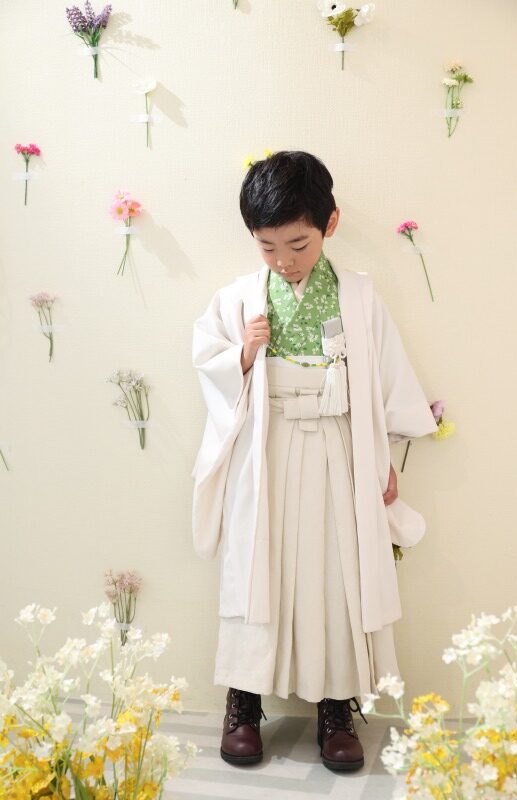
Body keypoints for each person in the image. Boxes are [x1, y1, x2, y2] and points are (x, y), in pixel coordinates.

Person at [191, 150, 438, 771]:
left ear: (330, 223)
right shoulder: (239, 297)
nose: (284, 260)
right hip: (265, 447)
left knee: (336, 571)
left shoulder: (359, 295)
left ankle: (336, 706)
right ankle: (243, 702)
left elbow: (384, 377)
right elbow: (208, 365)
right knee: (259, 568)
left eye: (297, 244)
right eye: (267, 247)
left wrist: (383, 456)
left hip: (337, 445)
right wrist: (242, 356)